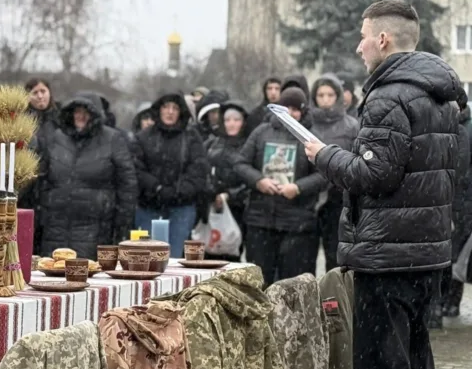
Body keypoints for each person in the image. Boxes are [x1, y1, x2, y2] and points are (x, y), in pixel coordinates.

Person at [304, 0, 461, 369]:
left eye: (364, 36)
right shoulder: (440, 94)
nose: (359, 45)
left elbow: (375, 175)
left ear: (385, 41)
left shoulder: (388, 97)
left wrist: (323, 156)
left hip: (389, 253)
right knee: (415, 364)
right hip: (425, 250)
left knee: (382, 368)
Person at [235, 87, 326, 284]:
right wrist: (259, 180)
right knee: (259, 282)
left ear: (303, 111)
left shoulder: (310, 137)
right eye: (287, 108)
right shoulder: (261, 132)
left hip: (297, 223)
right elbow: (240, 164)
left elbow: (324, 174)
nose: (291, 114)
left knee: (292, 284)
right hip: (261, 220)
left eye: (296, 109)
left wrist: (299, 187)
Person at [37, 92, 137, 259]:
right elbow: (42, 177)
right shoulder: (57, 138)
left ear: (95, 115)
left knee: (87, 276)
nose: (80, 116)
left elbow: (127, 183)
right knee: (54, 273)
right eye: (77, 111)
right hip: (56, 224)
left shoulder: (112, 139)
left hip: (95, 226)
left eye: (86, 112)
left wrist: (122, 222)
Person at [130, 93, 209, 257]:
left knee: (173, 257)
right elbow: (135, 168)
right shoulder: (144, 137)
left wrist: (177, 190)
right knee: (145, 257)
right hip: (148, 205)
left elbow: (198, 169)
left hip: (181, 207)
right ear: (159, 110)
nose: (170, 112)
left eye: (175, 108)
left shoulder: (191, 137)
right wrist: (156, 187)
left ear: (181, 112)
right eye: (166, 107)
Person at [442, 89, 472, 318]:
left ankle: (452, 302)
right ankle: (440, 301)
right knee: (442, 257)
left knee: (457, 259)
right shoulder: (440, 129)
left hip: (465, 207)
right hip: (443, 204)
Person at [309, 75, 360, 272]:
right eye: (320, 95)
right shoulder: (308, 124)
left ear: (338, 96)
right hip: (308, 198)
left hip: (338, 196)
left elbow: (356, 159)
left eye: (330, 94)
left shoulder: (351, 125)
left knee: (335, 257)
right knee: (305, 259)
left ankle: (333, 302)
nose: (325, 99)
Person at [204, 100, 250, 261]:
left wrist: (230, 195)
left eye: (236, 120)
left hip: (239, 208)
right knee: (210, 252)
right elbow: (202, 170)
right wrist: (211, 192)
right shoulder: (212, 143)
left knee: (232, 253)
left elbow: (251, 178)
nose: (231, 124)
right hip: (212, 205)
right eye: (228, 120)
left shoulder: (249, 144)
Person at [26, 77, 60, 143]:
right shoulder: (22, 119)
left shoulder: (62, 115)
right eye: (35, 93)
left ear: (49, 92)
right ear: (28, 97)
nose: (40, 96)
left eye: (43, 91)